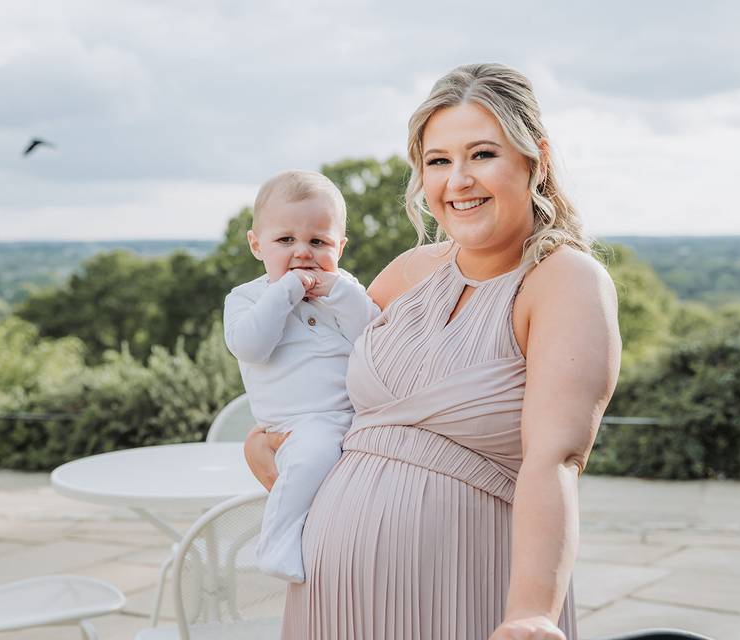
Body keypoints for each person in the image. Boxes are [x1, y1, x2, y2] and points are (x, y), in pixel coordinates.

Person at [245, 63, 621, 639]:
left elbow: (556, 461)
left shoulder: (564, 281)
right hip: (330, 597)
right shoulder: (406, 272)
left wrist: (532, 612)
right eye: (439, 161)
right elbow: (324, 385)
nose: (458, 180)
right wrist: (267, 445)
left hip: (465, 589)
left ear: (535, 160)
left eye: (483, 155)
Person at [224, 170, 379, 582]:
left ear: (340, 248)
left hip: (353, 416)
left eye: (319, 242)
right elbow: (250, 346)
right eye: (285, 241)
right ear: (257, 244)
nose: (303, 253)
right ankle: (277, 541)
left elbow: (374, 333)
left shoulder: (343, 289)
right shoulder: (247, 299)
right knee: (310, 459)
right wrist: (285, 292)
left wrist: (339, 292)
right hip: (296, 424)